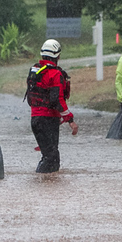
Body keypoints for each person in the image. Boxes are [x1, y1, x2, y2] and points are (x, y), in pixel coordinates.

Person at [25, 39, 78, 174]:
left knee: (51, 156)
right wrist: (70, 120)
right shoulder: (55, 74)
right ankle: (42, 185)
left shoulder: (35, 71)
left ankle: (47, 186)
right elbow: (57, 100)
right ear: (58, 56)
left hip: (36, 120)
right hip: (48, 121)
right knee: (51, 157)